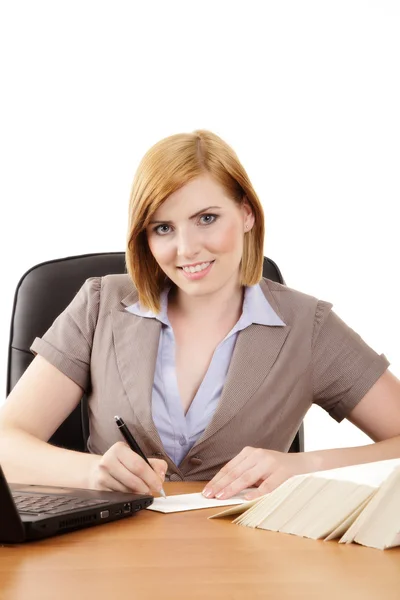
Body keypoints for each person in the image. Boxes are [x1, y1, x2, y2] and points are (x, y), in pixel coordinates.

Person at [0, 130, 399, 502]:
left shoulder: (307, 327)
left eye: (206, 218)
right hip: (109, 555)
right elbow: (6, 443)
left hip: (245, 560)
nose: (186, 248)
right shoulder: (100, 305)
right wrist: (91, 473)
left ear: (246, 214)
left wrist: (304, 467)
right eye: (163, 228)